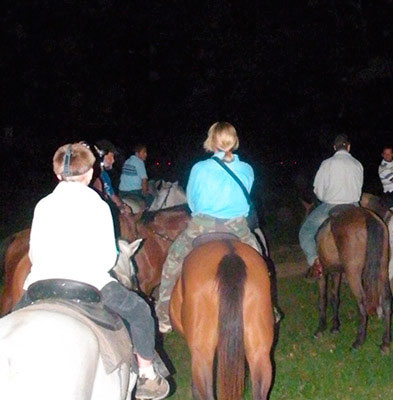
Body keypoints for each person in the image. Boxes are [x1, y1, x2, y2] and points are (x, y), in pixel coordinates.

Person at [19, 142, 170, 399]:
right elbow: (107, 259)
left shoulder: (42, 205)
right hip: (88, 283)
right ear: (90, 174)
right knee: (140, 311)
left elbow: (34, 254)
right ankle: (146, 374)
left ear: (57, 175)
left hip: (39, 285)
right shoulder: (98, 205)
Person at [156, 122, 262, 333]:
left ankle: (164, 315)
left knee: (172, 262)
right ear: (234, 140)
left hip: (202, 226)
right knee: (261, 264)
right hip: (238, 227)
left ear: (212, 140)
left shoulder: (200, 168)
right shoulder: (247, 169)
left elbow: (193, 203)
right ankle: (269, 306)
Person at [299, 134, 363, 278]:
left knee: (306, 232)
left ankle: (315, 262)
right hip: (354, 206)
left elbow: (318, 190)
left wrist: (323, 197)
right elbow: (358, 188)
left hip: (331, 206)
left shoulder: (327, 164)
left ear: (335, 147)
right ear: (348, 146)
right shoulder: (358, 164)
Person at [92, 140, 131, 214]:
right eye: (111, 157)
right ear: (101, 156)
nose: (113, 161)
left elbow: (111, 194)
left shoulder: (103, 174)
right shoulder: (96, 175)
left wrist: (123, 206)